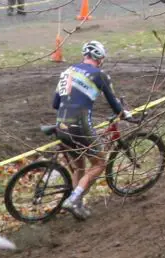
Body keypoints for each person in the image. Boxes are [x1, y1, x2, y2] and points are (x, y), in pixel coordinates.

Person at [52, 40, 132, 220]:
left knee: (79, 167)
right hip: (79, 125)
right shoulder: (100, 75)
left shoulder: (67, 72)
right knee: (99, 164)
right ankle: (73, 199)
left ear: (84, 55)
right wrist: (125, 114)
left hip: (61, 125)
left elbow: (55, 103)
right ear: (100, 58)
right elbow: (113, 103)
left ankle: (77, 205)